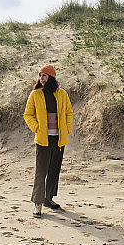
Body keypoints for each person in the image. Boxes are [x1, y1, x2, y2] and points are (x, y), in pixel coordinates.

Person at [23, 64, 73, 217]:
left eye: (44, 75)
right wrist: (36, 127)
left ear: (51, 77)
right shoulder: (35, 94)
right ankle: (37, 204)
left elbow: (69, 113)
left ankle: (48, 199)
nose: (41, 78)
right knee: (41, 172)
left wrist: (67, 129)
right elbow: (28, 115)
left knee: (54, 170)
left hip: (58, 139)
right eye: (40, 75)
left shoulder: (62, 94)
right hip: (43, 139)